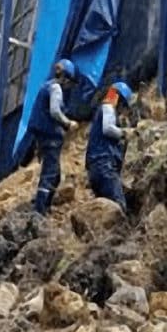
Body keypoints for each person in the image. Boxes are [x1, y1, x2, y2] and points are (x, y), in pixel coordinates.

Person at [26, 59, 79, 215]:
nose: (69, 86)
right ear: (65, 77)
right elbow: (55, 111)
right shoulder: (56, 89)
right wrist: (68, 123)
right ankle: (40, 211)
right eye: (70, 82)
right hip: (50, 137)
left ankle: (45, 207)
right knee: (50, 174)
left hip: (44, 135)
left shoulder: (47, 86)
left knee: (55, 176)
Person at [85, 81, 135, 211]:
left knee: (105, 211)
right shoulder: (108, 107)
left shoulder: (103, 111)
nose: (123, 111)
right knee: (119, 207)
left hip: (96, 168)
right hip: (104, 166)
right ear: (121, 101)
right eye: (124, 107)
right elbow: (108, 129)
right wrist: (125, 132)